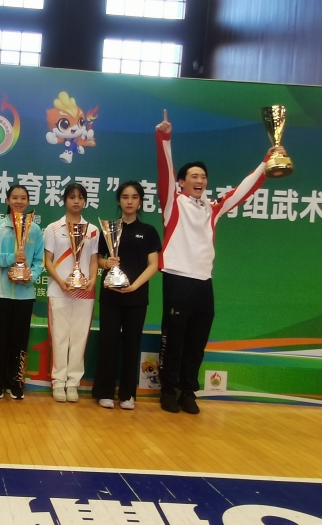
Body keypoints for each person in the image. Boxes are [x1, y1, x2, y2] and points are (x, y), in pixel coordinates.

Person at [155, 109, 287, 414]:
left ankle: (188, 391)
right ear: (181, 182)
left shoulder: (212, 208)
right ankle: (169, 390)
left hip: (204, 282)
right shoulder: (174, 204)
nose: (200, 180)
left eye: (203, 176)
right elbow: (165, 171)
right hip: (178, 278)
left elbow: (243, 190)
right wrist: (164, 137)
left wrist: (266, 162)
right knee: (174, 340)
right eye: (194, 176)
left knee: (196, 342)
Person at [92, 181, 161, 410]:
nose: (129, 201)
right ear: (119, 201)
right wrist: (106, 263)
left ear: (140, 201)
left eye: (134, 197)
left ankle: (127, 394)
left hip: (136, 298)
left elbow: (154, 264)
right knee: (108, 343)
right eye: (125, 197)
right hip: (111, 295)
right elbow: (98, 260)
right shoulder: (109, 228)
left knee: (132, 344)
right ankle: (104, 392)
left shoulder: (148, 231)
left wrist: (135, 286)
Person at [0, 185, 44, 400]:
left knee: (20, 341)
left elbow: (39, 260)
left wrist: (30, 276)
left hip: (24, 295)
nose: (19, 201)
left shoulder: (35, 230)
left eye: (23, 198)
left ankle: (16, 382)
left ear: (28, 202)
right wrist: (11, 258)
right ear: (8, 200)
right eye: (15, 197)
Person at [44, 183, 99, 403]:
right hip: (59, 291)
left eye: (80, 197)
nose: (76, 201)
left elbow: (94, 260)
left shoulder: (93, 230)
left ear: (85, 201)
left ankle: (73, 383)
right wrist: (60, 281)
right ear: (65, 200)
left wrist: (92, 280)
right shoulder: (53, 228)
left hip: (84, 292)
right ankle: (58, 382)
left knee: (79, 338)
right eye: (72, 197)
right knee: (59, 338)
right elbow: (48, 261)